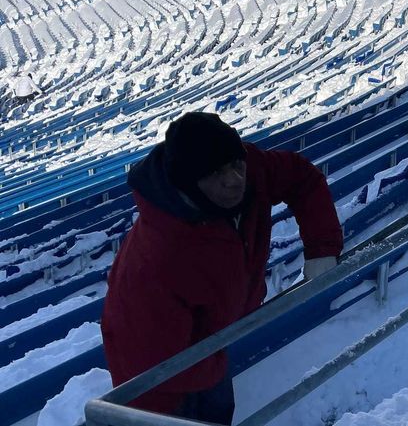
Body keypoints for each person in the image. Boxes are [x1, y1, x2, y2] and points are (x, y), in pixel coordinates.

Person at [101, 112, 343, 425]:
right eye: (217, 172)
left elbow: (302, 179)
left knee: (217, 407)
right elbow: (157, 364)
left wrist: (321, 249)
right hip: (157, 377)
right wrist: (215, 359)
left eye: (236, 164)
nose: (234, 179)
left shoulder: (246, 169)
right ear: (189, 183)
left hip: (213, 336)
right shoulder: (158, 259)